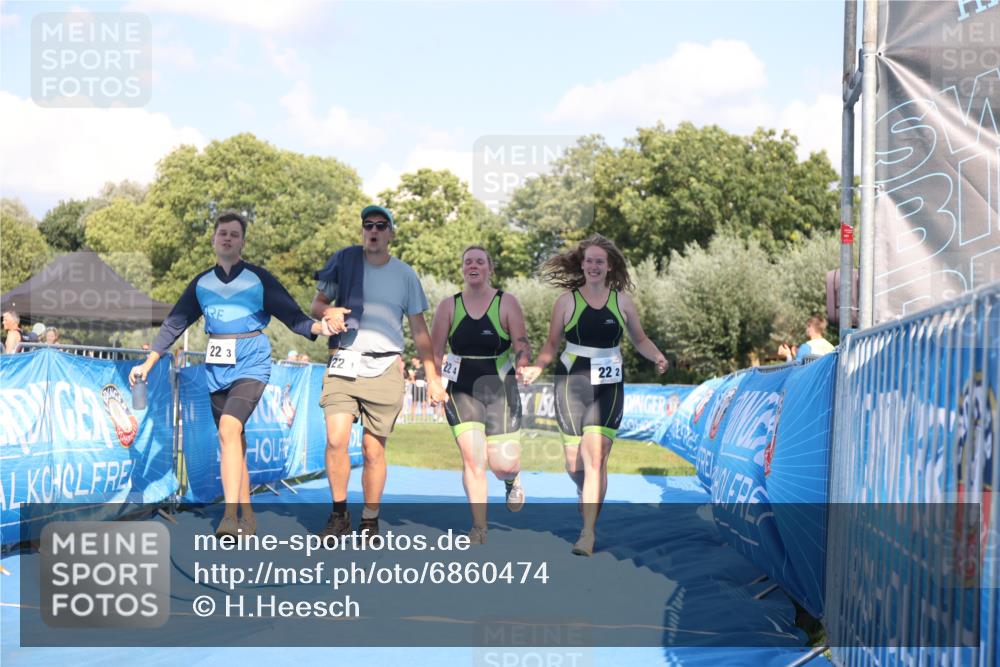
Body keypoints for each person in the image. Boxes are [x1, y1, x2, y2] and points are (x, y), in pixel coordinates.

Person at [130, 211, 326, 537]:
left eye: (235, 234)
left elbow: (293, 317)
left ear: (242, 242)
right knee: (233, 441)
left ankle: (229, 518)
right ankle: (248, 516)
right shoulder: (201, 283)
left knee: (229, 428)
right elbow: (175, 323)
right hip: (216, 367)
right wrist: (148, 363)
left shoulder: (258, 279)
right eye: (223, 233)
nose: (228, 238)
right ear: (214, 240)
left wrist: (321, 327)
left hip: (252, 361)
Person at [521, 234, 668, 556]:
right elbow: (551, 344)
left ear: (609, 266)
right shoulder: (566, 302)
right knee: (574, 465)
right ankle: (587, 490)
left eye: (600, 261)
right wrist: (537, 367)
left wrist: (656, 355)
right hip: (571, 383)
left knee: (595, 456)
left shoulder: (623, 302)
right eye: (589, 261)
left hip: (608, 385)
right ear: (582, 264)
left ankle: (587, 534)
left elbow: (640, 339)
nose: (594, 266)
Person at [311, 204, 446, 538]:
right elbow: (316, 305)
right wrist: (328, 311)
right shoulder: (345, 262)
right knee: (336, 439)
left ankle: (370, 519)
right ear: (362, 231)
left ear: (390, 234)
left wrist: (433, 378)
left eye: (380, 226)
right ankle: (339, 515)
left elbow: (419, 330)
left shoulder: (405, 275)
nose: (373, 230)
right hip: (344, 361)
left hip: (385, 366)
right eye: (368, 225)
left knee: (373, 450)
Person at [430, 245, 531, 544]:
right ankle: (479, 526)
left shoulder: (506, 302)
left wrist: (523, 363)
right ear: (463, 269)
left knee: (502, 464)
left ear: (489, 268)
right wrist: (434, 381)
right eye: (468, 262)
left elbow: (521, 343)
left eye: (479, 261)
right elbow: (435, 351)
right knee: (473, 459)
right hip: (461, 388)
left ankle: (512, 479)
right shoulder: (448, 306)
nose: (473, 266)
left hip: (500, 387)